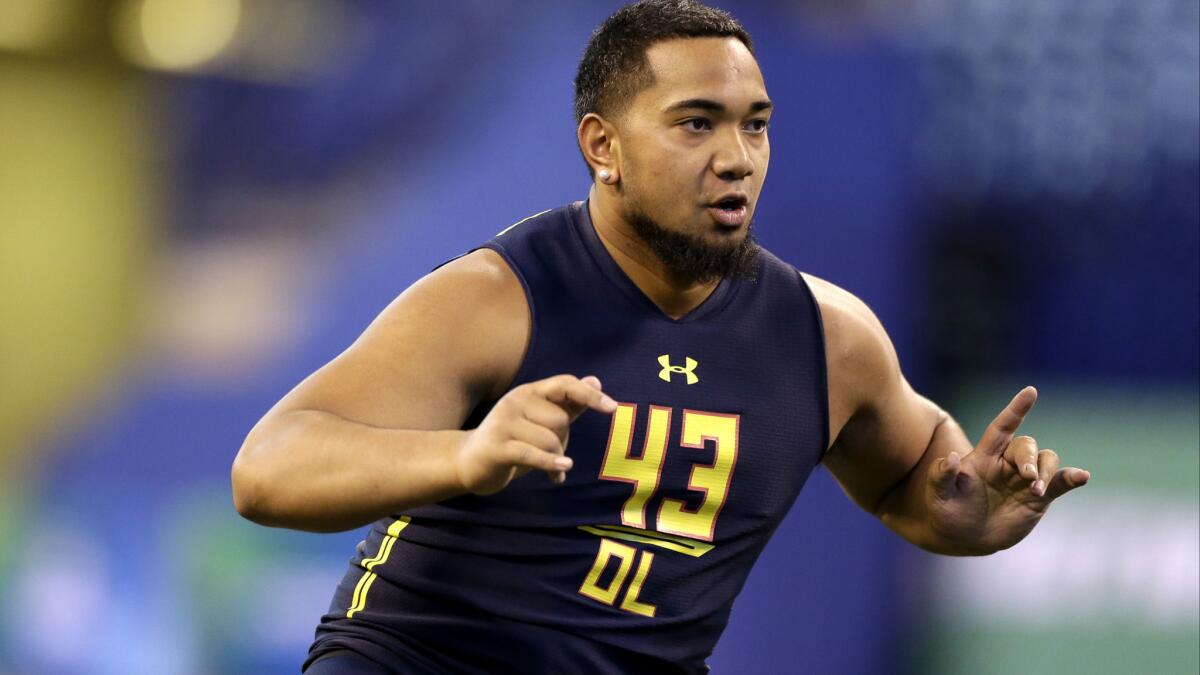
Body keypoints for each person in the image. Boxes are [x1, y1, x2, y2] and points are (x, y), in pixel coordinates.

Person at [231, 1, 1091, 673]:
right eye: (696, 123)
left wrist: (968, 514)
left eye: (754, 123)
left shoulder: (828, 337)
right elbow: (267, 470)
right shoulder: (501, 297)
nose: (738, 157)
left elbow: (915, 482)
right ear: (602, 146)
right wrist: (462, 457)